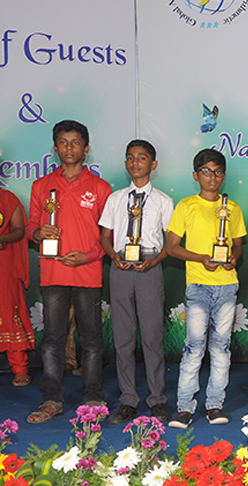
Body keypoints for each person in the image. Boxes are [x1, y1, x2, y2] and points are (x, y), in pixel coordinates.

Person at [26, 120, 112, 424]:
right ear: (55, 147)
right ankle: (52, 399)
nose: (69, 148)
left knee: (91, 339)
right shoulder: (41, 186)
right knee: (53, 338)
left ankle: (93, 398)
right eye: (63, 142)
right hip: (53, 272)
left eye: (75, 142)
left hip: (88, 273)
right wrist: (38, 233)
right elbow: (30, 225)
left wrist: (88, 256)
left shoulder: (100, 187)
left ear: (86, 149)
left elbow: (109, 236)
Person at [165, 148, 246, 429]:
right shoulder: (186, 206)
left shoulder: (232, 208)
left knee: (221, 348)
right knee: (194, 347)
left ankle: (214, 405)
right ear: (195, 175)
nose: (212, 177)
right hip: (198, 285)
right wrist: (200, 258)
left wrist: (234, 257)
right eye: (206, 171)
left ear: (224, 176)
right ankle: (184, 407)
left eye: (218, 172)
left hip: (226, 285)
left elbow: (238, 245)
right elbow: (171, 247)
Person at [99, 140, 173, 424]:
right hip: (120, 267)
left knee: (152, 337)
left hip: (149, 268)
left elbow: (171, 242)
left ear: (153, 164)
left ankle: (157, 401)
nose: (135, 163)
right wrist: (113, 257)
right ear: (125, 163)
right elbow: (105, 236)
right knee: (123, 338)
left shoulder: (163, 201)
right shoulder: (115, 199)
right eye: (130, 158)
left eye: (142, 158)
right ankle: (128, 401)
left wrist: (155, 261)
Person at [0, 187, 35, 387]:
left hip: (4, 264)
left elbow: (19, 229)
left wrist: (3, 238)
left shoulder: (7, 198)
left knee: (8, 310)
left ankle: (20, 367)